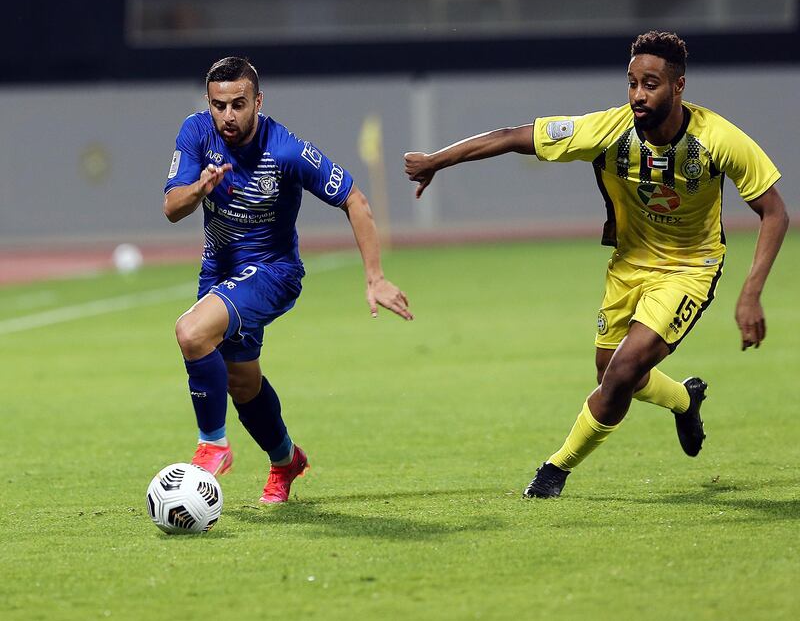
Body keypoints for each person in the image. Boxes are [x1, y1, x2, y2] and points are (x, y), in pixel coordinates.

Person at [404, 31, 788, 498]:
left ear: (679, 86)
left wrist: (750, 293)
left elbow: (774, 211)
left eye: (651, 84)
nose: (638, 95)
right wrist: (436, 161)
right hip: (628, 266)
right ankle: (685, 400)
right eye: (631, 83)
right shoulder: (608, 130)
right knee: (611, 375)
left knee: (622, 373)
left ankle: (554, 470)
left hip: (689, 267)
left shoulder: (718, 139)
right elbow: (511, 138)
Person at [164, 56, 412, 504]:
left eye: (239, 104)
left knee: (191, 331)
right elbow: (171, 208)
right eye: (219, 106)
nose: (228, 116)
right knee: (242, 383)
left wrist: (374, 277)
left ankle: (213, 446)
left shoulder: (286, 150)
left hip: (273, 272)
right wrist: (200, 188)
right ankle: (286, 460)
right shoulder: (196, 133)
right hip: (219, 271)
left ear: (258, 101)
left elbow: (355, 200)